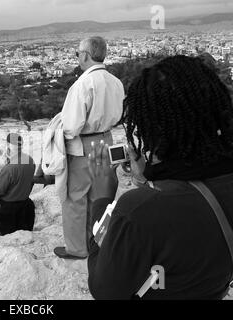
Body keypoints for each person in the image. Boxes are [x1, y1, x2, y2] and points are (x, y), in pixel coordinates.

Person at [87, 55, 233, 299]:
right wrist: (149, 180)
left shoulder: (137, 212)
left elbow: (104, 290)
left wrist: (101, 200)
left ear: (150, 130)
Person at [54, 36, 125, 260]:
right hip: (106, 141)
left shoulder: (82, 84)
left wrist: (58, 135)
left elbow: (72, 125)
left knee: (75, 198)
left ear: (85, 55)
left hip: (84, 145)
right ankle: (99, 243)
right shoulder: (116, 82)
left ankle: (77, 249)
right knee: (101, 196)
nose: (78, 57)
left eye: (78, 54)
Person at [0, 133, 36, 236]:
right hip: (25, 205)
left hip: (9, 209)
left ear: (8, 146)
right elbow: (30, 181)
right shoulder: (30, 160)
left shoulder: (9, 169)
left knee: (9, 237)